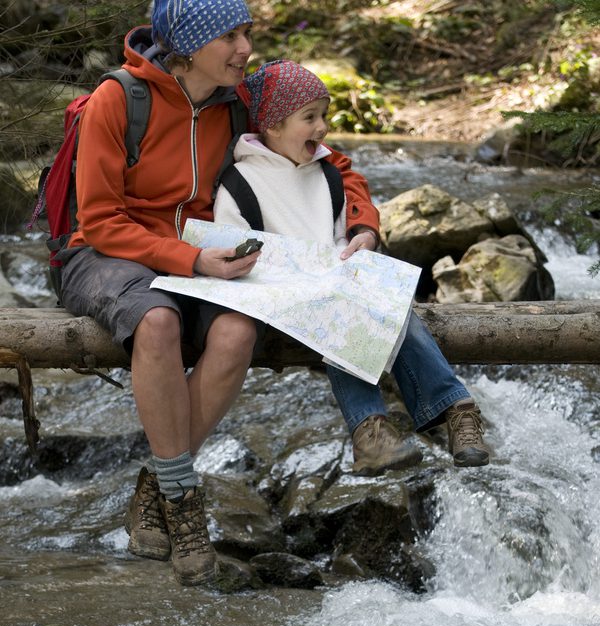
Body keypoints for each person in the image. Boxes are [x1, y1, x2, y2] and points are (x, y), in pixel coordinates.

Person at [56, 1, 383, 586]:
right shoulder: (118, 98)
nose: (245, 49)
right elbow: (102, 220)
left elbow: (330, 164)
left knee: (236, 332)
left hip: (203, 253)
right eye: (230, 36)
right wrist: (191, 259)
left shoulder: (238, 102)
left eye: (247, 34)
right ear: (190, 44)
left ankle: (158, 481)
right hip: (106, 255)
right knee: (157, 322)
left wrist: (363, 222)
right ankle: (184, 508)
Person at [213, 60, 490, 476]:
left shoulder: (327, 173)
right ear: (271, 125)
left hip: (337, 283)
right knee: (341, 306)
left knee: (389, 306)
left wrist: (361, 242)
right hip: (277, 293)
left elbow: (346, 230)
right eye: (310, 118)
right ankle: (375, 427)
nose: (323, 127)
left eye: (324, 115)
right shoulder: (239, 183)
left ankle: (454, 412)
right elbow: (230, 247)